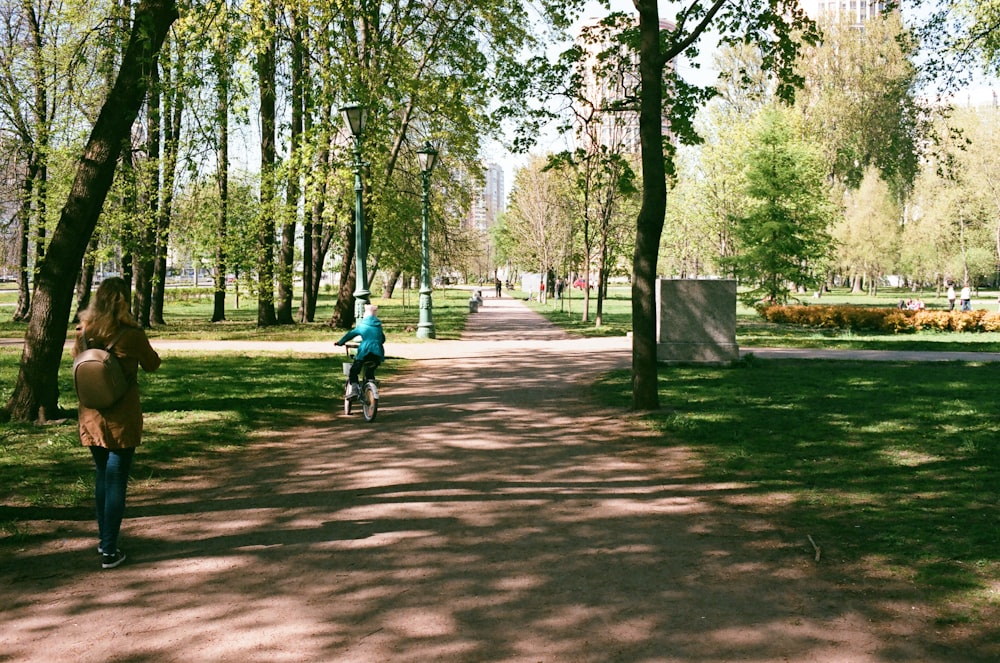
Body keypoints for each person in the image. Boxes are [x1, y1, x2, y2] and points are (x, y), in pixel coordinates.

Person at [73, 277, 161, 570]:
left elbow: (76, 360)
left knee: (102, 475)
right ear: (125, 301)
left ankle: (103, 539)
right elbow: (152, 364)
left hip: (92, 413)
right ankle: (109, 549)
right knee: (116, 480)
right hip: (122, 415)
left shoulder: (84, 331)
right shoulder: (131, 334)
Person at [335, 303, 385, 397]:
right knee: (370, 371)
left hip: (365, 351)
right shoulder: (378, 326)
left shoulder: (362, 325)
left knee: (354, 371)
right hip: (377, 353)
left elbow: (350, 334)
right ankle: (371, 386)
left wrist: (340, 342)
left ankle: (354, 390)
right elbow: (382, 339)